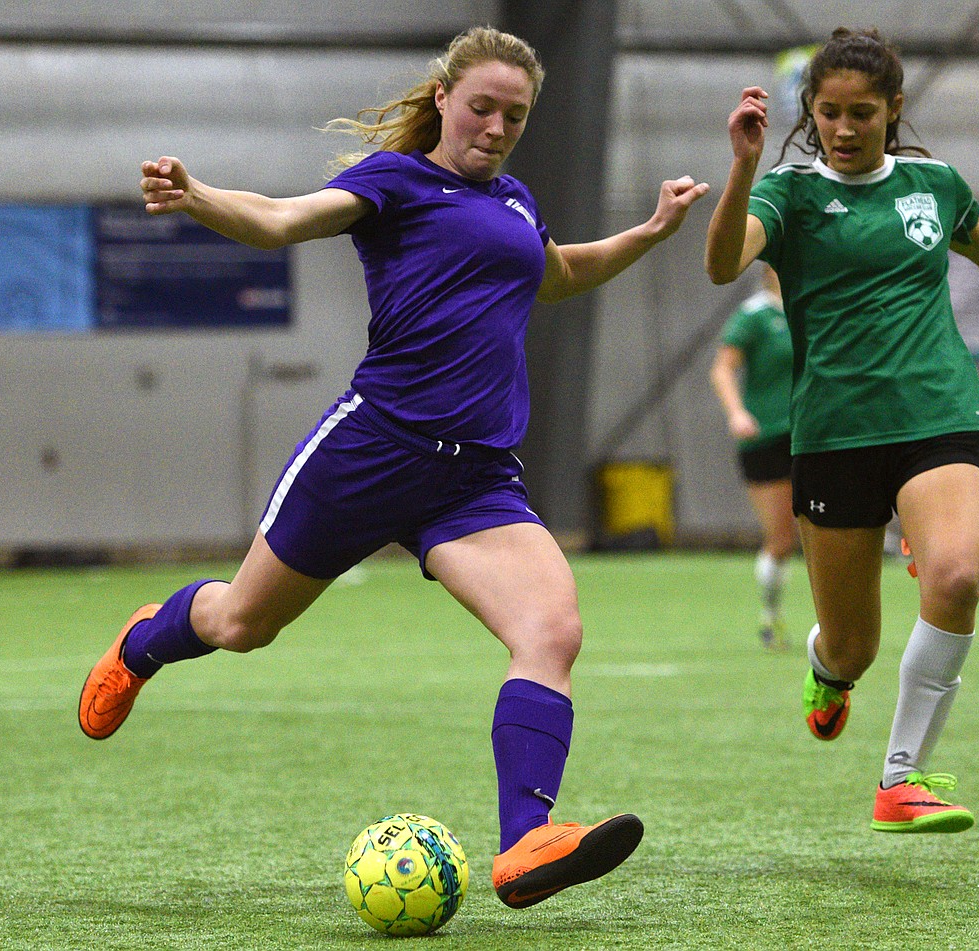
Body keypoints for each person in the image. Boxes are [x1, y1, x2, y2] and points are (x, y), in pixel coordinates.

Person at [78, 26, 710, 906]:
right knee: (241, 625)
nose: (495, 127)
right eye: (482, 106)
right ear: (444, 98)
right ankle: (146, 638)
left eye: (514, 116)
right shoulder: (396, 183)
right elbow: (285, 220)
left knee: (551, 632)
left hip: (477, 477)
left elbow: (557, 275)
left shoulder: (519, 203)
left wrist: (649, 230)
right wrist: (199, 197)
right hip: (375, 449)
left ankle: (527, 841)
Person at [705, 27, 979, 833]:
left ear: (894, 110)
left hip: (938, 414)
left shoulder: (935, 184)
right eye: (829, 112)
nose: (845, 127)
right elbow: (723, 265)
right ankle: (827, 669)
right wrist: (742, 166)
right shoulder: (787, 195)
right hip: (831, 434)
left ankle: (901, 777)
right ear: (811, 112)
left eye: (863, 112)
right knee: (854, 644)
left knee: (958, 577)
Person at [709, 263, 796, 650]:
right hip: (767, 439)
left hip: (811, 436)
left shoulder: (811, 309)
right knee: (780, 539)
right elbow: (722, 370)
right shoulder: (755, 315)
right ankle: (770, 614)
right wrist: (737, 412)